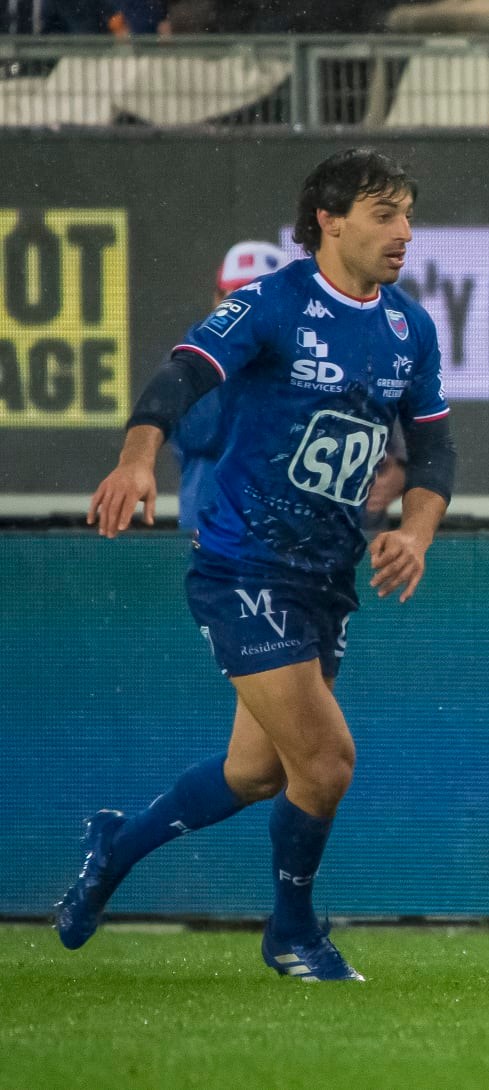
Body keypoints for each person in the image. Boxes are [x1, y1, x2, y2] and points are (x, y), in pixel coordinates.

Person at [56, 148, 456, 983]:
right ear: (329, 220)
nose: (404, 232)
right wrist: (137, 460)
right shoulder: (271, 305)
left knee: (255, 770)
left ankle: (115, 846)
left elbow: (433, 447)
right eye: (385, 214)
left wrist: (416, 530)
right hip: (243, 563)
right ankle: (293, 933)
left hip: (325, 574)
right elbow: (182, 374)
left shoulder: (408, 327)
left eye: (409, 214)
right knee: (327, 761)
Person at [171, 240, 290, 533]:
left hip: (293, 529)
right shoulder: (197, 353)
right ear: (217, 298)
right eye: (234, 295)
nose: (244, 310)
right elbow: (201, 434)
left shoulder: (317, 358)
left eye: (256, 298)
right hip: (212, 521)